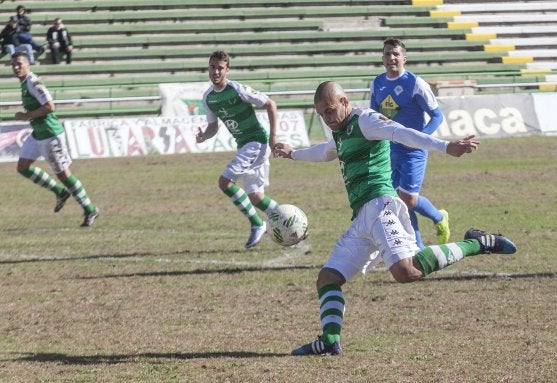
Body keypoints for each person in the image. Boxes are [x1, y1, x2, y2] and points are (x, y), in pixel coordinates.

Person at [273, 81, 517, 356]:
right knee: (327, 278)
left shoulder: (365, 120)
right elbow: (327, 152)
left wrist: (445, 146)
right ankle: (330, 341)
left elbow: (401, 133)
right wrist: (292, 153)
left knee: (406, 271)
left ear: (344, 102)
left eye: (330, 111)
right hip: (361, 218)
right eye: (322, 114)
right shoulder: (340, 132)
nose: (327, 119)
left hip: (381, 206)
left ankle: (480, 243)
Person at [195, 50, 279, 249]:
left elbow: (270, 104)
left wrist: (274, 137)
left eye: (220, 68)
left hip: (256, 142)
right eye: (212, 67)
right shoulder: (208, 98)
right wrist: (203, 136)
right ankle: (289, 220)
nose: (215, 71)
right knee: (256, 198)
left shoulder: (237, 89)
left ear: (227, 70)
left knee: (225, 181)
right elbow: (213, 127)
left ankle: (258, 224)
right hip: (244, 145)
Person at [370, 37, 448, 249]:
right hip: (388, 151)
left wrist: (419, 140)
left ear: (405, 58)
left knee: (409, 200)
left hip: (414, 152)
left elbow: (437, 116)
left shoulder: (415, 83)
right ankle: (418, 248)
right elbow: (373, 117)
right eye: (387, 54)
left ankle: (439, 217)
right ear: (382, 58)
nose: (391, 58)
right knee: (399, 203)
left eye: (396, 54)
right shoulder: (377, 83)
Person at [11, 52, 99, 227]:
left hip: (51, 135)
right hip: (38, 134)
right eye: (13, 64)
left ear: (28, 65)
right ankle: (60, 192)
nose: (16, 67)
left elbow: (50, 106)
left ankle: (90, 209)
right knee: (22, 167)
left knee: (64, 174)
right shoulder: (24, 83)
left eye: (19, 64)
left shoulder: (32, 82)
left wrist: (26, 115)